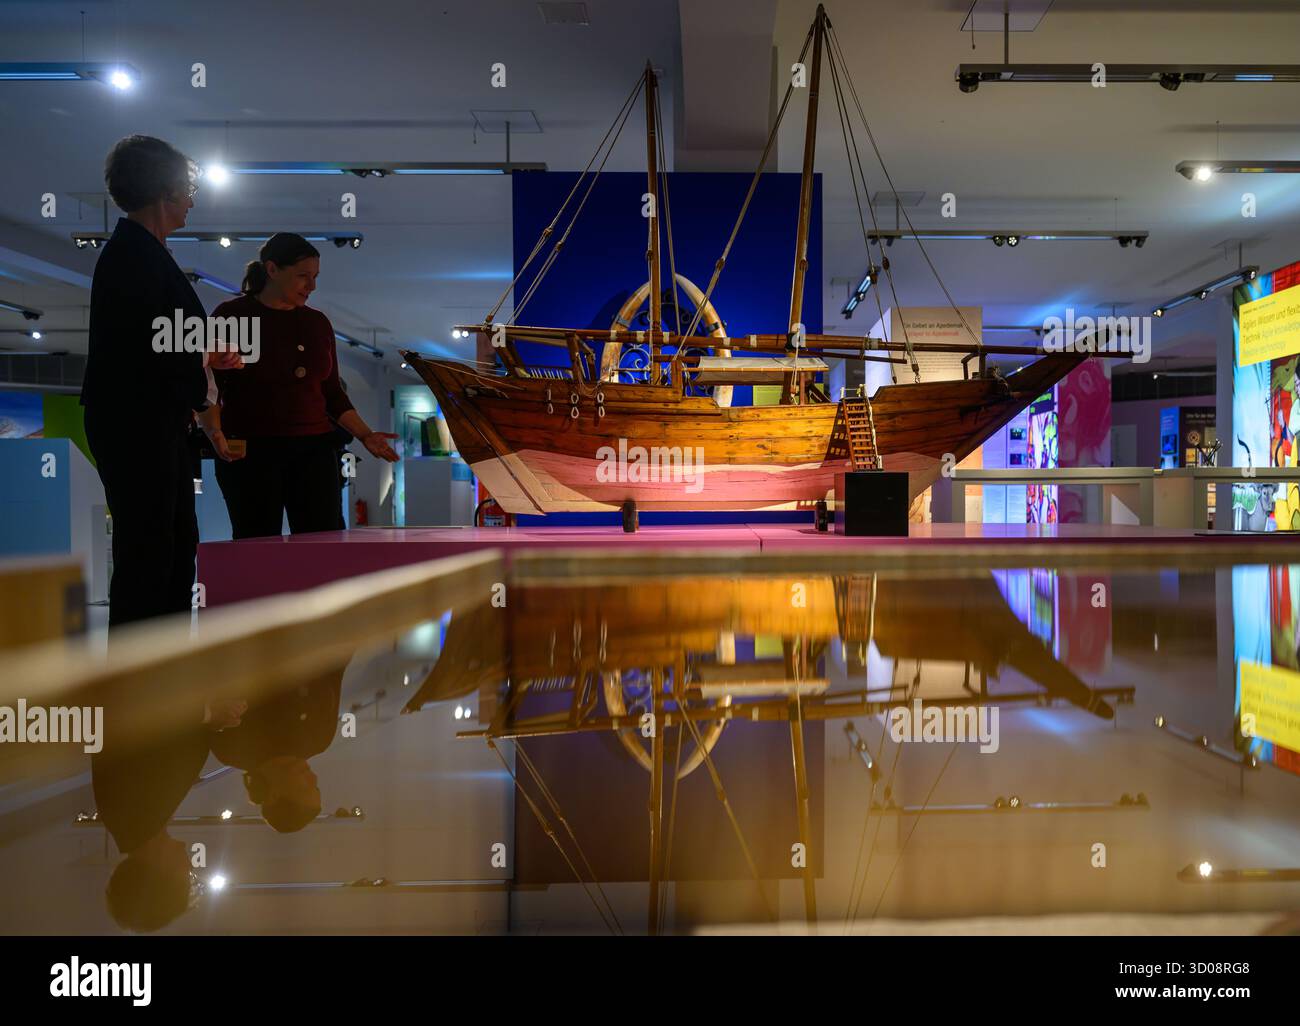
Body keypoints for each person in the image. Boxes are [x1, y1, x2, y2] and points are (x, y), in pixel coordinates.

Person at [81, 135, 243, 628]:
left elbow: (153, 340)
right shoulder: (134, 256)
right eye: (188, 188)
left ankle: (161, 672)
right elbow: (149, 347)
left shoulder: (142, 254)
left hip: (150, 421)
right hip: (136, 423)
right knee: (150, 551)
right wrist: (201, 359)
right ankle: (143, 679)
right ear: (165, 190)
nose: (192, 199)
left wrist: (202, 356)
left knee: (168, 547)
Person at [198, 233, 398, 538]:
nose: (312, 286)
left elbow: (331, 393)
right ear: (273, 269)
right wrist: (215, 433)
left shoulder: (317, 323)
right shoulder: (232, 316)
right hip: (251, 452)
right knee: (256, 543)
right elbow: (208, 385)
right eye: (303, 276)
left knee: (321, 543)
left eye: (315, 277)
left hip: (313, 451)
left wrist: (366, 435)